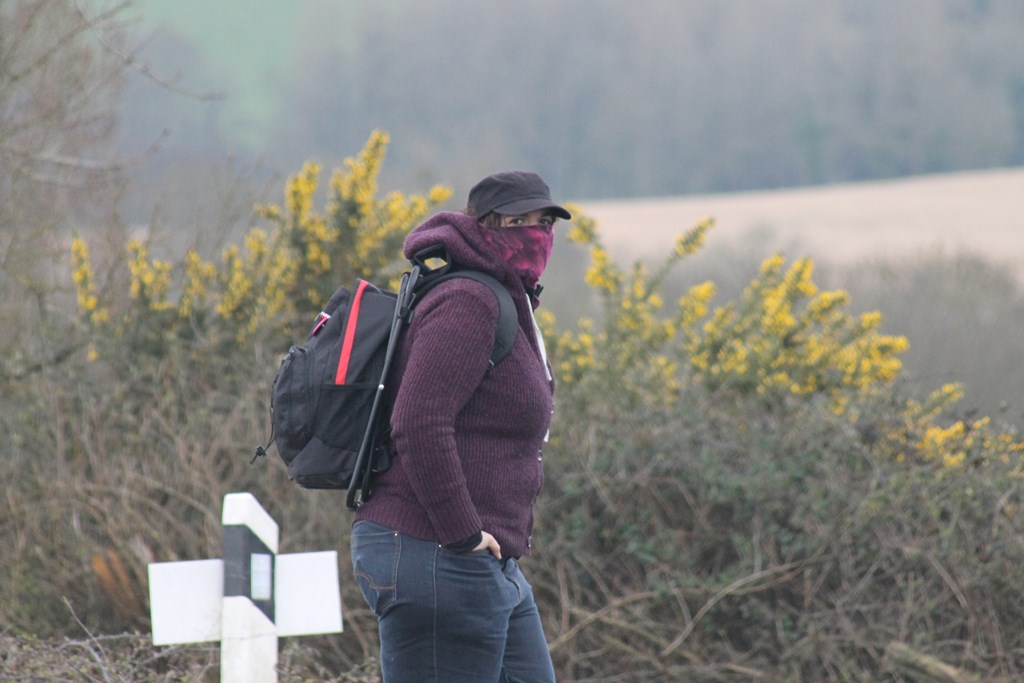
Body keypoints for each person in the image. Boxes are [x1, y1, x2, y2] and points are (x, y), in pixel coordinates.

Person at [350, 171, 570, 682]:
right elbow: (419, 421)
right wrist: (463, 535)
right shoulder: (469, 301)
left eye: (544, 222)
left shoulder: (505, 301)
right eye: (519, 222)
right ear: (486, 227)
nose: (536, 234)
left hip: (478, 563)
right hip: (435, 550)